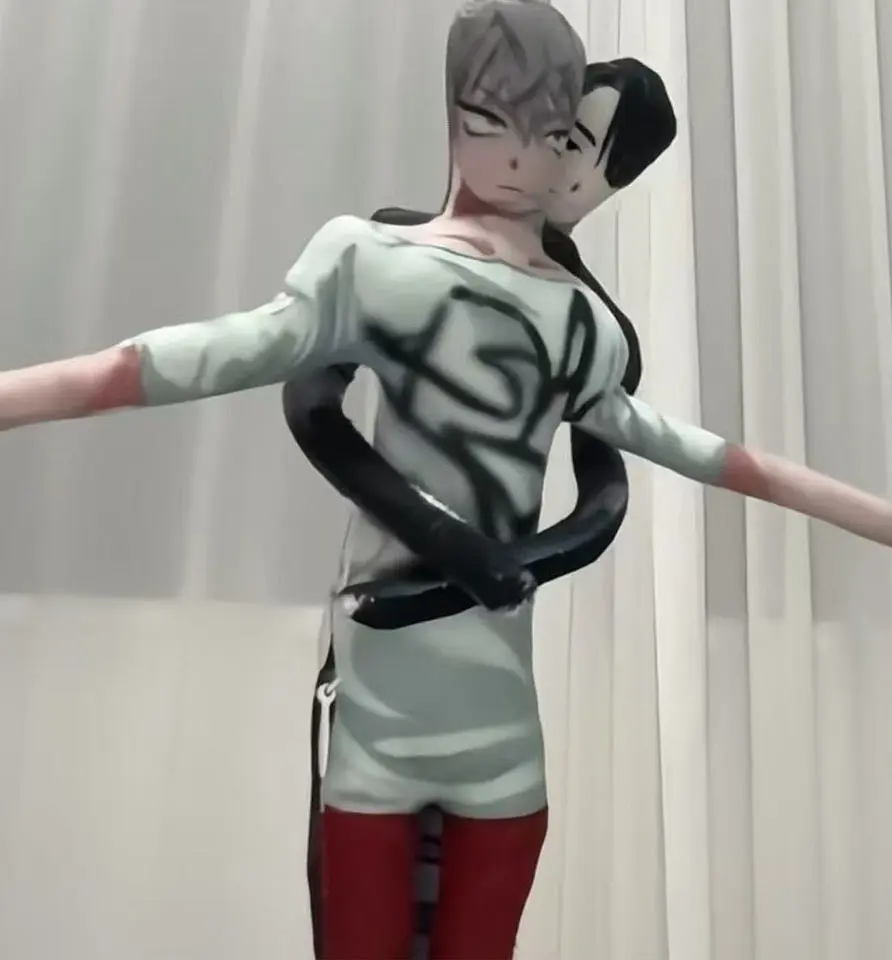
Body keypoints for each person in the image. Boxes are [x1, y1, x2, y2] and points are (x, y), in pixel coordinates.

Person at [0, 2, 892, 958]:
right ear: (453, 109)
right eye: (488, 118)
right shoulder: (368, 259)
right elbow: (197, 358)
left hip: (500, 734)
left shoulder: (584, 323)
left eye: (546, 130)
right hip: (377, 717)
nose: (517, 154)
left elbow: (703, 454)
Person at [284, 55, 679, 959]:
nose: (571, 172)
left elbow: (605, 498)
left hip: (488, 691)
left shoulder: (595, 326)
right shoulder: (388, 248)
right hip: (377, 668)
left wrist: (487, 572)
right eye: (569, 136)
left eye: (605, 166)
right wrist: (445, 543)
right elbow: (312, 406)